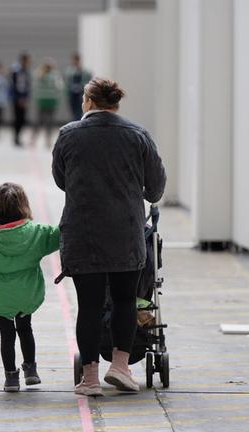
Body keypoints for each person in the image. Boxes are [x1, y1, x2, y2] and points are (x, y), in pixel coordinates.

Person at [52, 78, 166, 396]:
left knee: (89, 305)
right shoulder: (138, 135)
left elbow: (61, 180)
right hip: (125, 233)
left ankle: (89, 379)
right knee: (125, 300)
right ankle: (120, 367)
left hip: (82, 233)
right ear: (115, 103)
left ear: (89, 101)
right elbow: (156, 189)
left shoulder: (68, 134)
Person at [0, 183, 59, 392]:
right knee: (26, 329)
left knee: (6, 335)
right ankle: (31, 369)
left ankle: (10, 377)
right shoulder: (36, 233)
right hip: (28, 294)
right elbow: (59, 235)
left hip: (2, 298)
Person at [31, 58, 63, 148]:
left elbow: (34, 87)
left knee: (38, 120)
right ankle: (48, 140)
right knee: (50, 121)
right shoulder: (55, 75)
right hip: (51, 100)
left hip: (41, 100)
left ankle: (33, 139)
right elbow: (60, 87)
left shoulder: (38, 74)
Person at [10, 52, 32, 147]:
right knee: (18, 118)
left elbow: (27, 85)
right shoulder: (17, 71)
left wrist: (26, 98)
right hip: (17, 98)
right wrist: (19, 98)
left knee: (22, 119)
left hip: (23, 98)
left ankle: (18, 137)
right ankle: (16, 138)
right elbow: (16, 86)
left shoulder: (26, 71)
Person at [65, 53, 92, 121]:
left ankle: (78, 121)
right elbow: (67, 82)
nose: (75, 62)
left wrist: (81, 86)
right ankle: (75, 121)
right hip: (72, 94)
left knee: (80, 110)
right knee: (73, 110)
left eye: (76, 60)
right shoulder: (69, 71)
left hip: (80, 93)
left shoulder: (84, 71)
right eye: (73, 60)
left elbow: (88, 78)